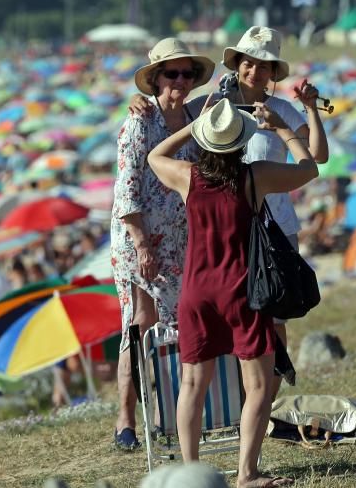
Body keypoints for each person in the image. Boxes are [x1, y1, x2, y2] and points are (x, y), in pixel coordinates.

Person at [129, 27, 329, 387]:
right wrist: (140, 100)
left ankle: (267, 399)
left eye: (265, 66)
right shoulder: (212, 108)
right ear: (237, 65)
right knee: (238, 320)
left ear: (273, 73)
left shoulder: (280, 110)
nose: (256, 71)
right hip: (229, 230)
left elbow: (317, 156)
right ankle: (247, 400)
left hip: (275, 228)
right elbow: (170, 112)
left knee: (273, 319)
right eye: (249, 63)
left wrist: (308, 111)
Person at [148, 98, 322, 488]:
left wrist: (192, 128)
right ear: (241, 142)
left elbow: (154, 156)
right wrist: (281, 128)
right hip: (242, 291)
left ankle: (190, 473)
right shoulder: (254, 177)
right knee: (258, 386)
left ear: (206, 142)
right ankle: (246, 474)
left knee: (192, 385)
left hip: (196, 294)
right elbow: (309, 167)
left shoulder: (187, 177)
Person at [110, 37, 215, 451]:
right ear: (155, 79)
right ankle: (126, 419)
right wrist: (141, 244)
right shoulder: (140, 121)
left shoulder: (195, 118)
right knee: (139, 324)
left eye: (187, 73)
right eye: (172, 73)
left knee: (173, 327)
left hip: (180, 241)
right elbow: (127, 187)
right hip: (139, 239)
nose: (181, 80)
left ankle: (163, 414)